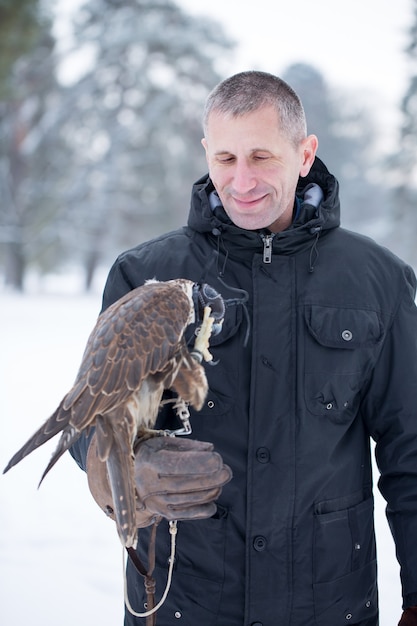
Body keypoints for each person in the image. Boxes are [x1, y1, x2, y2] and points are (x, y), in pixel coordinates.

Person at [70, 70, 417, 626]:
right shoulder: (145, 277)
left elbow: (411, 450)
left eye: (262, 157)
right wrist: (129, 469)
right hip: (183, 597)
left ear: (305, 154)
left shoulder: (378, 281)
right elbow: (89, 420)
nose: (242, 180)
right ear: (205, 152)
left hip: (328, 603)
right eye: (226, 158)